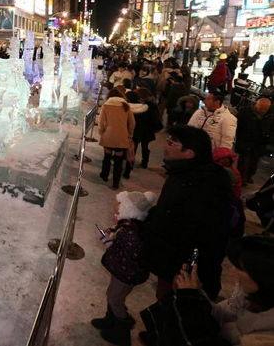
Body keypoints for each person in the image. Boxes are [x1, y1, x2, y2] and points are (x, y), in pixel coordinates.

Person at [141, 125, 233, 301]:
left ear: (189, 153)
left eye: (171, 143)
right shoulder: (181, 172)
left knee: (174, 303)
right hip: (169, 256)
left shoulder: (207, 186)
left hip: (183, 266)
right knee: (163, 295)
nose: (165, 146)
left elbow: (205, 234)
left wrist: (187, 269)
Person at [139, 235, 274, 346]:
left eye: (240, 268)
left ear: (263, 277)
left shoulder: (266, 334)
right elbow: (219, 314)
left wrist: (188, 298)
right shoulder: (247, 294)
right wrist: (195, 293)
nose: (233, 271)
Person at [91, 191, 158, 346]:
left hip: (127, 274)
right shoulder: (129, 226)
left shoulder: (132, 234)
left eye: (120, 206)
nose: (116, 208)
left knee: (115, 299)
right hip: (122, 271)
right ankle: (110, 320)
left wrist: (108, 242)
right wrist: (112, 233)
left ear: (130, 211)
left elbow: (124, 253)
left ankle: (121, 332)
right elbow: (119, 235)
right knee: (111, 294)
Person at [98, 88, 136, 189]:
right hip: (122, 137)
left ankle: (104, 175)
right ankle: (115, 182)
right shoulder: (126, 106)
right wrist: (130, 134)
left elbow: (101, 123)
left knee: (107, 157)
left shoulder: (106, 106)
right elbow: (132, 123)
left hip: (108, 135)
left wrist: (101, 133)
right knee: (118, 161)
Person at [234, 98, 273, 185]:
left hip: (259, 144)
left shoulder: (270, 115)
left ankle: (249, 176)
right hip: (245, 142)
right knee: (243, 163)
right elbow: (238, 127)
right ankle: (241, 179)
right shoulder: (245, 112)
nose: (263, 111)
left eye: (265, 109)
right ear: (256, 104)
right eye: (261, 108)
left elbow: (271, 129)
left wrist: (268, 140)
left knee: (254, 163)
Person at [124, 89, 161, 178]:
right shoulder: (148, 106)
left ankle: (128, 170)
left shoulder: (134, 107)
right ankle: (144, 163)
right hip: (146, 131)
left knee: (132, 150)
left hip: (137, 131)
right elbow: (155, 120)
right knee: (144, 147)